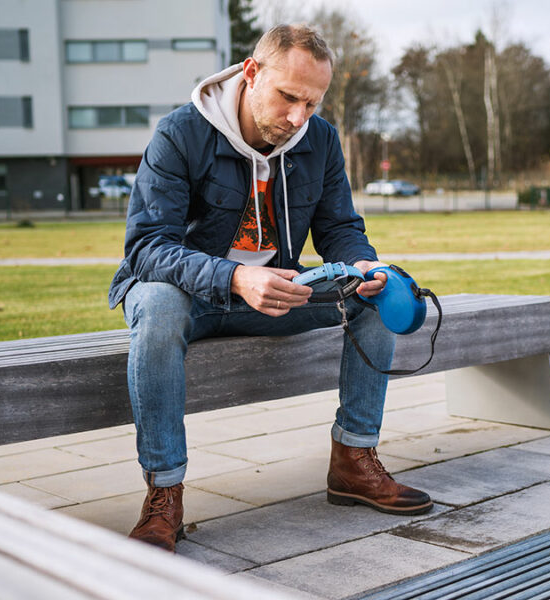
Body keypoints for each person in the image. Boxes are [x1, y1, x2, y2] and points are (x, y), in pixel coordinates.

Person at [107, 24, 433, 553]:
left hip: (279, 292)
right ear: (252, 73)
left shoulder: (319, 140)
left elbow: (338, 230)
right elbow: (147, 248)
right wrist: (234, 275)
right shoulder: (179, 134)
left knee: (369, 295)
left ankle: (353, 460)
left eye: (312, 102)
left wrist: (364, 265)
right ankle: (164, 494)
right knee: (160, 305)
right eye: (288, 97)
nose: (298, 117)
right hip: (189, 295)